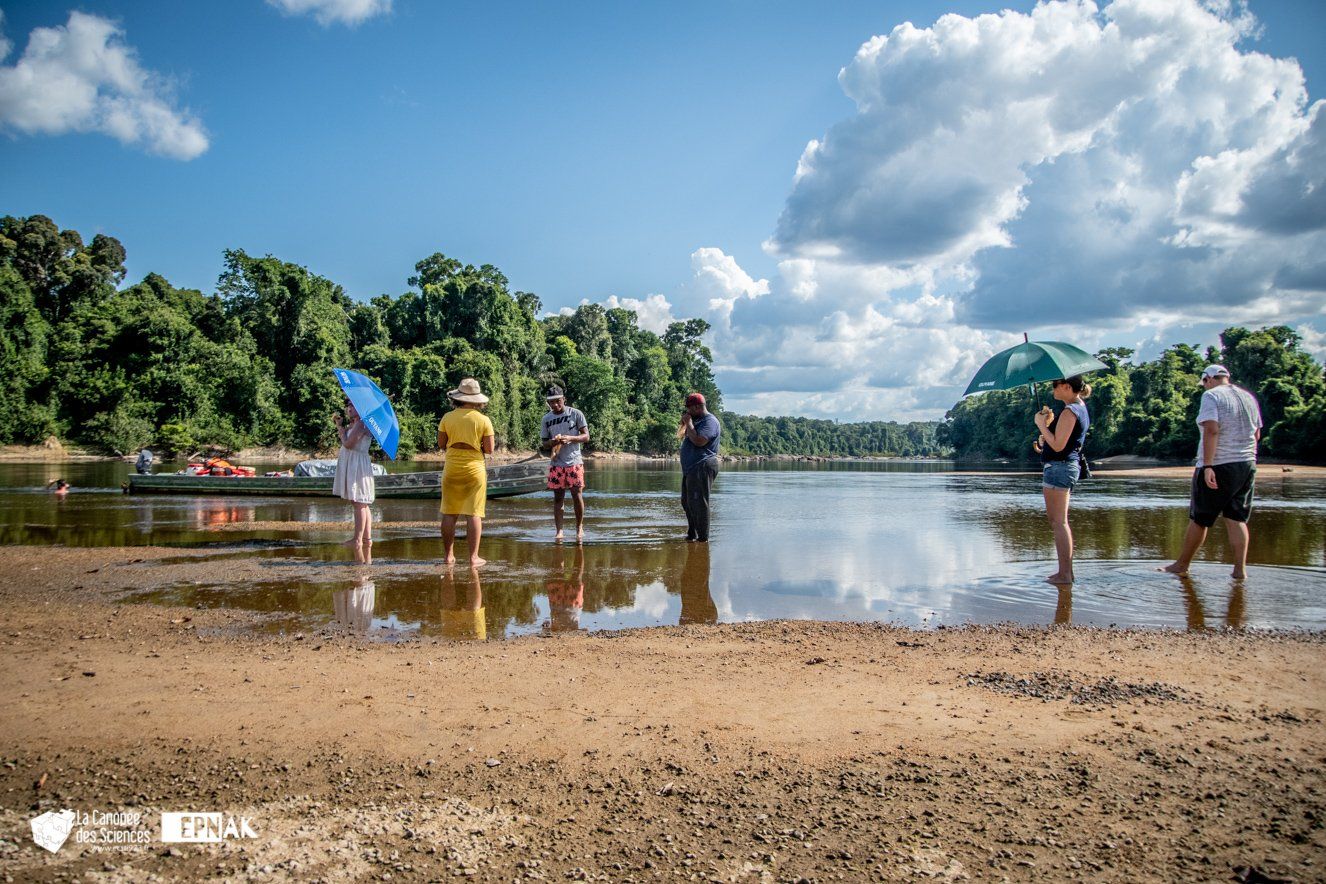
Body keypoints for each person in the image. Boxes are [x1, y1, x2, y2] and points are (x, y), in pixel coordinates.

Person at [1164, 364, 1262, 579]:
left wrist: (1208, 465)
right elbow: (1256, 435)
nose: (1204, 387)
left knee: (1200, 517)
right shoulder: (1248, 397)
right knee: (1236, 518)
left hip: (1219, 464)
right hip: (1246, 463)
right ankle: (1239, 570)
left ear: (1208, 379)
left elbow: (1212, 429)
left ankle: (1181, 565)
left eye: (1204, 383)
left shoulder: (1212, 396)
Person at [1032, 375, 1092, 584]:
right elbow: (1061, 442)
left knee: (1058, 522)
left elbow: (1058, 446)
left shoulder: (1070, 411)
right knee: (1059, 521)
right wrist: (1045, 433)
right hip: (1064, 467)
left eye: (1055, 385)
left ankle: (1065, 574)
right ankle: (1066, 573)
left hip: (1060, 468)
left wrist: (1041, 425)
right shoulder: (1078, 407)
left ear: (1066, 387)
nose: (1053, 389)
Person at [438, 378, 495, 567]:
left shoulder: (447, 417)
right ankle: (473, 558)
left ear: (458, 397)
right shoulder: (484, 420)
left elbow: (441, 444)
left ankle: (448, 557)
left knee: (449, 513)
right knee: (474, 513)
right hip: (474, 469)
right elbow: (489, 449)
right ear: (477, 399)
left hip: (452, 467)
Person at [539, 385, 590, 542]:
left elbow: (586, 436)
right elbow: (544, 443)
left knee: (577, 495)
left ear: (564, 400)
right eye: (551, 402)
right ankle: (559, 531)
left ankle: (579, 527)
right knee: (558, 498)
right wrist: (553, 442)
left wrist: (571, 438)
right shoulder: (546, 419)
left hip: (574, 461)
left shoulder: (576, 414)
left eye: (557, 401)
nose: (554, 405)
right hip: (557, 463)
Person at [333, 402, 376, 561]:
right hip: (357, 462)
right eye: (348, 406)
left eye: (353, 406)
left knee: (358, 501)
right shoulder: (360, 423)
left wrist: (341, 431)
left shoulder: (361, 423)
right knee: (362, 502)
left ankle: (357, 540)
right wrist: (342, 427)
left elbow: (349, 444)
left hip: (357, 463)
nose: (349, 409)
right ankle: (367, 539)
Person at [678, 392, 720, 542]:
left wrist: (689, 423)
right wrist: (688, 424)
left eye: (690, 408)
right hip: (691, 468)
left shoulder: (710, 422)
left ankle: (703, 539)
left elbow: (700, 441)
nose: (687, 412)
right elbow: (685, 435)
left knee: (699, 503)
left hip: (702, 465)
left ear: (698, 407)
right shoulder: (697, 421)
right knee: (687, 502)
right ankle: (692, 533)